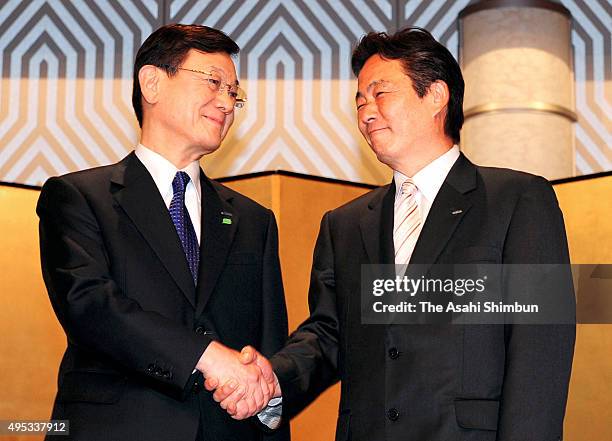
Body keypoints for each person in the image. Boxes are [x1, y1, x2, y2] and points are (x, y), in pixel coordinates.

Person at [208, 27, 576, 441]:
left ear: (436, 95)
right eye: (360, 100)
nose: (366, 112)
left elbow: (540, 351)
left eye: (380, 94)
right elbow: (329, 337)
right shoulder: (345, 225)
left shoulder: (518, 200)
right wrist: (272, 380)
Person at [37, 24, 289, 441]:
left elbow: (268, 352)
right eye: (213, 82)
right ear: (152, 83)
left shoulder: (253, 220)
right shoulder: (79, 197)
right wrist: (205, 356)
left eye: (233, 92)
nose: (226, 102)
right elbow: (91, 307)